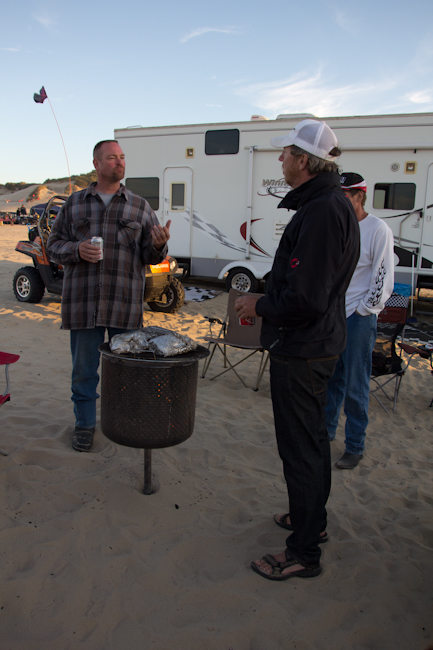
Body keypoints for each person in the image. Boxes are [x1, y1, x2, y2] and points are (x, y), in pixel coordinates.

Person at [235, 119, 360, 581]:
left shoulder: (325, 209)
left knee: (301, 451)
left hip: (305, 350)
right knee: (311, 446)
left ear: (304, 160)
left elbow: (306, 298)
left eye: (286, 153)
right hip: (313, 344)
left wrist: (258, 303)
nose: (281, 160)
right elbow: (307, 281)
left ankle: (304, 552)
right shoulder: (324, 203)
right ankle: (313, 523)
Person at [47, 140, 171, 453]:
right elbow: (52, 246)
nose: (119, 163)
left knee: (126, 370)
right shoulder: (74, 204)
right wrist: (76, 249)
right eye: (112, 158)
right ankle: (85, 426)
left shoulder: (140, 206)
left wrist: (159, 245)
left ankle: (123, 422)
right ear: (96, 164)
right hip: (83, 304)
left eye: (122, 158)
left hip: (124, 305)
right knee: (84, 372)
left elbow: (150, 256)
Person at [326, 173, 395, 469]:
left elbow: (383, 275)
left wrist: (365, 310)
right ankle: (325, 434)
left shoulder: (378, 229)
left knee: (355, 385)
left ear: (359, 196)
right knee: (331, 380)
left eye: (346, 195)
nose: (340, 200)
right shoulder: (337, 226)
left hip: (358, 318)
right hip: (333, 317)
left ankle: (354, 445)